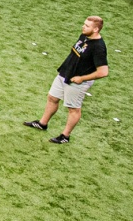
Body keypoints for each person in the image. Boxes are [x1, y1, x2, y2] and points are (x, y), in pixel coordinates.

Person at [25, 15, 108, 143]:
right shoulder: (84, 36)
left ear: (96, 29)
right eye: (84, 24)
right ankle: (42, 123)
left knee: (73, 109)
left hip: (77, 82)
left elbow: (103, 72)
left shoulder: (98, 47)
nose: (83, 27)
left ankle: (65, 136)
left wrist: (82, 78)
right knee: (52, 98)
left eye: (87, 26)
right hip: (65, 74)